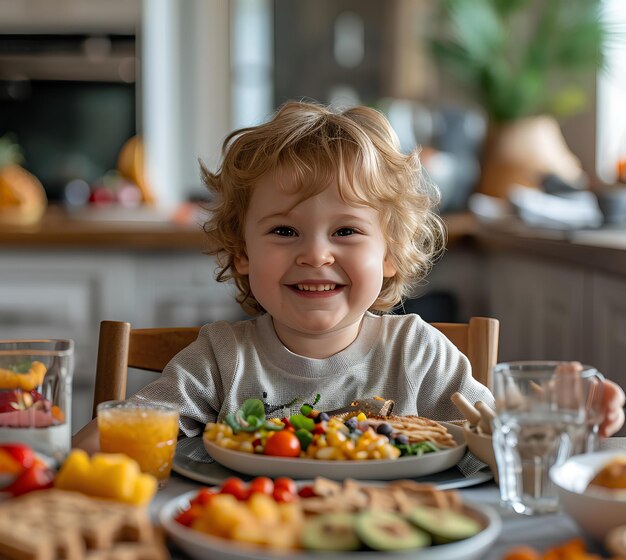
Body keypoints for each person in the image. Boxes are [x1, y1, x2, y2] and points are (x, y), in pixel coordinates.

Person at [73, 101, 624, 450]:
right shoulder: (220, 358)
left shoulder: (417, 353)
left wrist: (558, 404)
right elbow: (127, 431)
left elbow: (498, 431)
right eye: (284, 232)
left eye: (347, 232)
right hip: (255, 545)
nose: (316, 255)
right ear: (241, 253)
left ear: (390, 255)